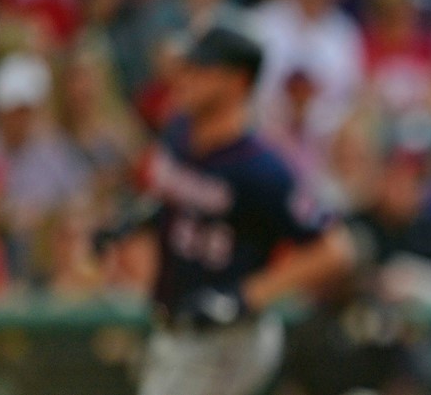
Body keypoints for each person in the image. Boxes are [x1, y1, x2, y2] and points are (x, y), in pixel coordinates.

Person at [122, 24, 356, 395]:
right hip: (173, 326)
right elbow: (175, 202)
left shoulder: (261, 169)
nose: (184, 78)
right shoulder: (178, 132)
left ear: (236, 82)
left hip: (229, 341)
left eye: (200, 70)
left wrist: (247, 296)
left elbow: (335, 249)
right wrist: (133, 224)